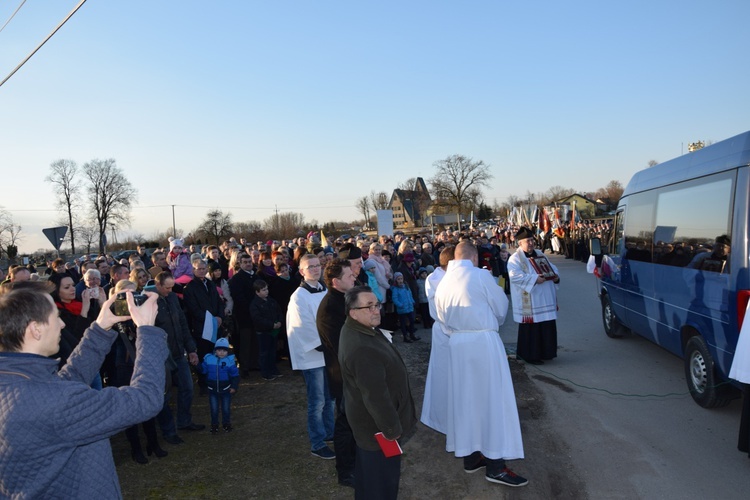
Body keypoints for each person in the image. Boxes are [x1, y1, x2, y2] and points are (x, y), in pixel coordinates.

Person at [0, 282, 168, 498]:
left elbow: (67, 382)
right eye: (55, 317)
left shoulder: (18, 383)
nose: (62, 324)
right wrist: (147, 330)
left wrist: (101, 327)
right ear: (35, 329)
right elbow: (145, 399)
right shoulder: (52, 401)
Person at [434, 241, 527, 487]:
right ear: (474, 258)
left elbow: (441, 317)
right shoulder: (480, 276)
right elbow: (500, 308)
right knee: (492, 401)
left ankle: (472, 455)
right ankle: (496, 465)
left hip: (458, 344)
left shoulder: (443, 281)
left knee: (466, 400)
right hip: (483, 342)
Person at [338, 286, 417, 499]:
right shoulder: (362, 348)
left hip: (371, 427)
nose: (376, 310)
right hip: (378, 428)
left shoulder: (359, 329)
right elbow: (376, 396)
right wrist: (391, 430)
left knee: (370, 478)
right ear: (353, 312)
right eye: (369, 306)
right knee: (382, 482)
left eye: (377, 305)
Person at [286, 253, 335, 459]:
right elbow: (302, 325)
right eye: (311, 267)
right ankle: (316, 442)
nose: (316, 269)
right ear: (301, 271)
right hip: (312, 354)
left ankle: (329, 432)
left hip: (328, 351)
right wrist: (321, 344)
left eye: (318, 266)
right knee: (317, 401)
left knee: (329, 397)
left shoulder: (325, 290)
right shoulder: (299, 296)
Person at [316, 258, 358, 487]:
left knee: (355, 422)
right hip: (343, 374)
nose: (354, 277)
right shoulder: (330, 308)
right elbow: (342, 343)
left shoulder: (343, 299)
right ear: (335, 281)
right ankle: (346, 471)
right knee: (345, 425)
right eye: (349, 276)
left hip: (352, 372)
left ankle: (357, 461)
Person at [153, 271, 204, 440]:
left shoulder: (173, 298)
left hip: (178, 353)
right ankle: (168, 431)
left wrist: (191, 349)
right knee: (165, 395)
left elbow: (182, 323)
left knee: (188, 388)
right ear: (158, 284)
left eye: (171, 287)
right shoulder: (149, 301)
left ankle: (184, 421)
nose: (170, 290)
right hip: (161, 356)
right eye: (167, 288)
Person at [507, 226, 560, 365]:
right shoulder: (515, 259)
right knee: (533, 327)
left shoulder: (540, 253)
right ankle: (530, 355)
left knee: (546, 324)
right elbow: (515, 277)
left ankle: (547, 352)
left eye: (531, 240)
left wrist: (555, 276)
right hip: (530, 299)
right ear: (520, 243)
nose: (531, 243)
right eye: (527, 241)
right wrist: (535, 279)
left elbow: (551, 268)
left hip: (544, 297)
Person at [420, 245, 454, 434]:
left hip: (452, 331)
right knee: (444, 377)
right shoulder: (435, 279)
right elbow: (443, 311)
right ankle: (443, 421)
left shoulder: (450, 277)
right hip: (445, 331)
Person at [199, 337, 240, 433]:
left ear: (227, 351)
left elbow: (235, 375)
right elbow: (203, 370)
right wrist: (197, 365)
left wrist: (234, 386)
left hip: (226, 390)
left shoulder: (230, 362)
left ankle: (226, 424)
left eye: (224, 350)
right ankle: (214, 425)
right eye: (219, 350)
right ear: (215, 350)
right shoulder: (209, 359)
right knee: (214, 409)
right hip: (212, 390)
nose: (221, 352)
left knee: (226, 409)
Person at [249, 279, 283, 381]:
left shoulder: (271, 301)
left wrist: (279, 322)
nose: (266, 291)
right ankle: (265, 372)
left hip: (273, 331)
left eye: (267, 289)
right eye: (263, 290)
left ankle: (273, 369)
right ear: (257, 292)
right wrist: (271, 325)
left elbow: (279, 311)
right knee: (264, 353)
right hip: (263, 332)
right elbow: (257, 319)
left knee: (272, 351)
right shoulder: (255, 304)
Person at [391, 272, 420, 343]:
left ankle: (412, 334)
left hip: (409, 306)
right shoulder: (395, 289)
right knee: (403, 323)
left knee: (412, 321)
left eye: (401, 279)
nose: (400, 280)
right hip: (402, 308)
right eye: (398, 279)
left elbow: (410, 294)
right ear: (395, 280)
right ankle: (405, 336)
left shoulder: (406, 286)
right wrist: (400, 305)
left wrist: (412, 301)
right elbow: (395, 298)